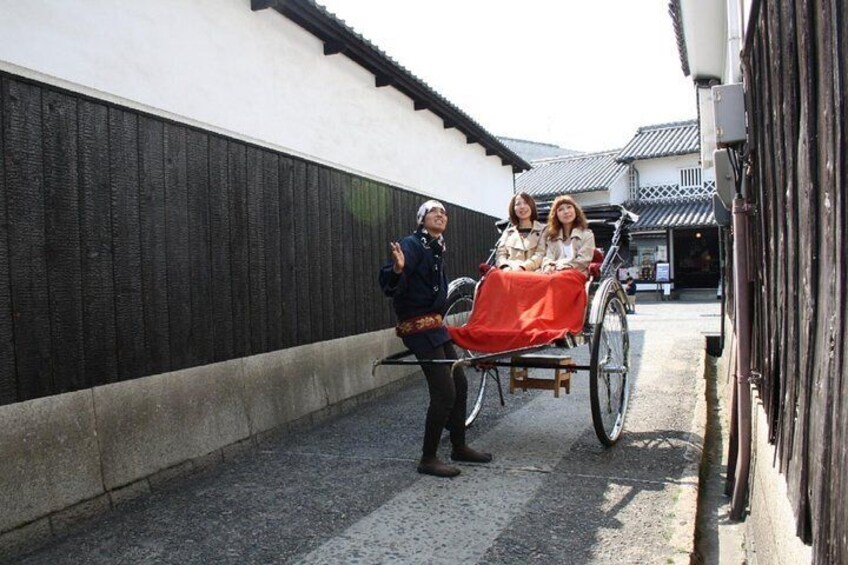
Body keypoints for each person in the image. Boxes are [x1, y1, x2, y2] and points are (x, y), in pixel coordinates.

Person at [379, 200, 493, 478]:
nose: (440, 215)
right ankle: (428, 458)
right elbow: (391, 281)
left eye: (444, 213)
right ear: (421, 219)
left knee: (460, 383)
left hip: (435, 326)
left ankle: (459, 446)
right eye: (434, 212)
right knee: (444, 391)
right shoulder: (413, 243)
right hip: (417, 327)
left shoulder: (437, 246)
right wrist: (397, 270)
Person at [541, 195, 596, 275]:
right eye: (560, 209)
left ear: (575, 211)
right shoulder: (552, 238)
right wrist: (548, 266)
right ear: (556, 216)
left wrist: (566, 266)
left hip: (576, 273)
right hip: (554, 273)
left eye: (569, 207)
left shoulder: (587, 235)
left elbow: (584, 260)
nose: (566, 212)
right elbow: (548, 257)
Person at [495, 192, 547, 271]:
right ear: (513, 209)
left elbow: (540, 254)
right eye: (518, 204)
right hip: (509, 273)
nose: (522, 207)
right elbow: (500, 255)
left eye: (526, 203)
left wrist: (523, 268)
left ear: (531, 206)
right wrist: (505, 267)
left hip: (535, 274)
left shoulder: (543, 230)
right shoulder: (508, 233)